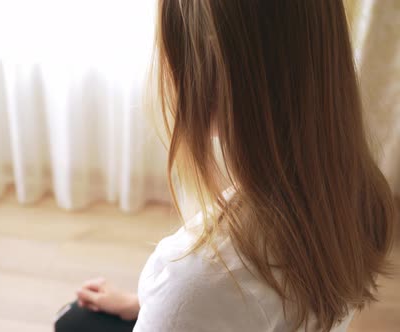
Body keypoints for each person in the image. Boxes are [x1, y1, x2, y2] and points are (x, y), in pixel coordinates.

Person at [55, 0, 396, 331]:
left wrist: (171, 309)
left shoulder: (199, 279)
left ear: (213, 77)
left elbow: (211, 303)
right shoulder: (366, 195)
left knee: (73, 321)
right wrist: (148, 305)